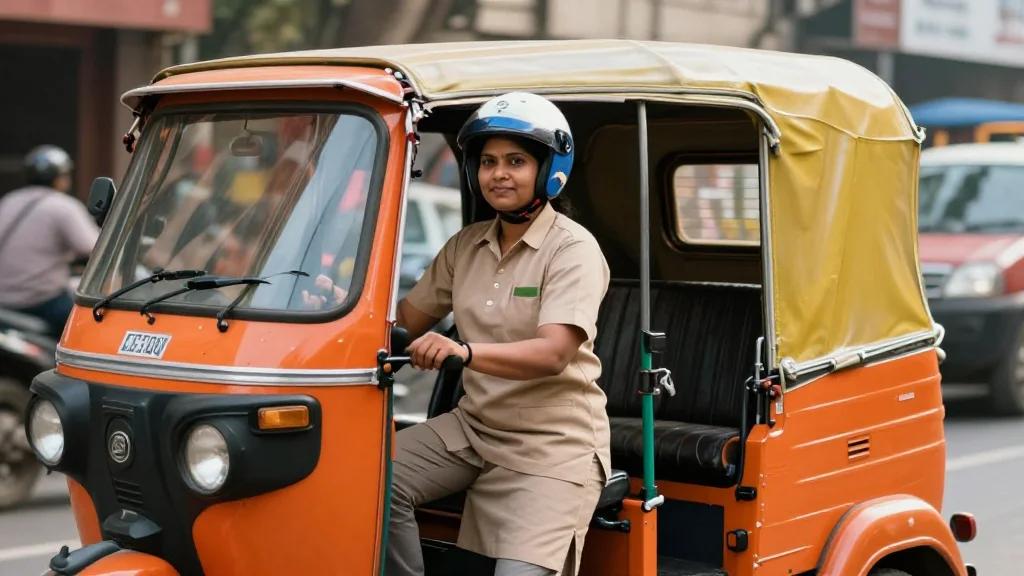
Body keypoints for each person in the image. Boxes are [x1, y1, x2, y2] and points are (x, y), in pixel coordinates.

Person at [388, 92, 611, 576]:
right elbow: (406, 321)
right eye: (487, 162)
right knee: (373, 477)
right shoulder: (466, 244)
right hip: (473, 426)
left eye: (515, 161)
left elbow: (554, 353)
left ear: (549, 169)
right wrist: (333, 302)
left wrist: (462, 352)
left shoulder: (572, 249)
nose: (498, 174)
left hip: (551, 444)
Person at [0, 145, 99, 337]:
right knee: (90, 328)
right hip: (41, 301)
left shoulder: (9, 200)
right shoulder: (62, 206)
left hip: (4, 300)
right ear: (60, 178)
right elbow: (94, 247)